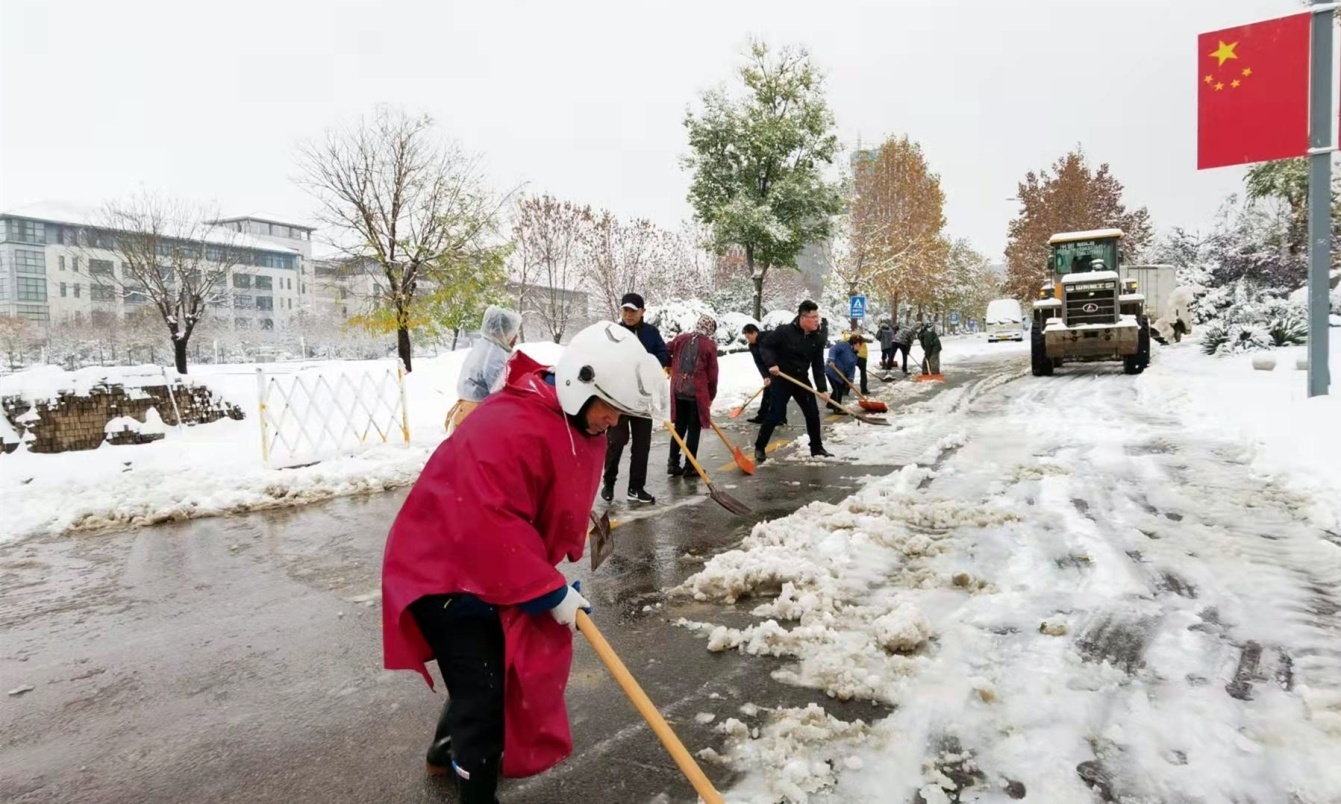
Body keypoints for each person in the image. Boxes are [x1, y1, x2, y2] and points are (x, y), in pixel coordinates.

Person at [381, 321, 668, 804]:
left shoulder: (574, 420)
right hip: (444, 570)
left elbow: (547, 489)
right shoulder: (508, 426)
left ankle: (443, 751)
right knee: (486, 695)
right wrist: (549, 588)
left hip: (491, 567)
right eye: (611, 410)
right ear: (581, 383)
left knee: (484, 669)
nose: (614, 422)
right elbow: (489, 520)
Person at [602, 292, 670, 504]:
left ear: (642, 312)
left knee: (642, 444)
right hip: (619, 398)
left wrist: (649, 365)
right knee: (616, 441)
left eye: (633, 310)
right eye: (625, 310)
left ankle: (636, 487)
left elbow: (663, 355)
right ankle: (609, 483)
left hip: (643, 399)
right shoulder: (614, 332)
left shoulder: (651, 333)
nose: (628, 314)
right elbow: (603, 357)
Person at [753, 299, 834, 464]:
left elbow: (818, 364)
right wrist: (771, 364)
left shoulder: (817, 338)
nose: (817, 320)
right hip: (782, 377)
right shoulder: (784, 332)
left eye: (818, 316)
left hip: (801, 379)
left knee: (812, 412)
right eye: (814, 317)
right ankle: (760, 447)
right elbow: (765, 345)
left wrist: (822, 389)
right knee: (775, 414)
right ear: (803, 318)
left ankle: (816, 447)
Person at [445, 305, 523, 434]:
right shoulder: (494, 354)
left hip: (466, 412)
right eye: (513, 332)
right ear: (501, 331)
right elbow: (500, 391)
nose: (516, 337)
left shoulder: (485, 345)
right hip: (475, 419)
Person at [666, 315, 719, 477]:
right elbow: (713, 373)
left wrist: (670, 365)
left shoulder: (681, 339)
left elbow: (664, 350)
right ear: (710, 329)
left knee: (680, 427)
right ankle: (690, 466)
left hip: (678, 389)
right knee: (693, 428)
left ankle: (673, 463)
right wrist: (711, 395)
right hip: (696, 392)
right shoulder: (709, 345)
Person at [742, 324, 787, 426]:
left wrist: (776, 368)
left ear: (754, 332)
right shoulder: (752, 346)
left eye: (748, 337)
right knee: (768, 392)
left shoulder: (769, 338)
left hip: (780, 368)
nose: (748, 340)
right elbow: (759, 362)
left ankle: (781, 418)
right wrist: (765, 376)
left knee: (779, 393)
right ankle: (762, 416)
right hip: (769, 370)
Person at [826, 332, 862, 413]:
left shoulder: (854, 356)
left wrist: (850, 380)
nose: (860, 347)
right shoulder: (844, 345)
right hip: (832, 369)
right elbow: (833, 349)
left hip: (840, 374)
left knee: (839, 388)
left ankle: (830, 404)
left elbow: (852, 369)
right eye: (860, 345)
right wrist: (831, 359)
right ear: (855, 343)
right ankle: (837, 408)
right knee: (838, 388)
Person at [842, 326, 871, 395]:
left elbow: (844, 341)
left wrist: (845, 333)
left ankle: (846, 390)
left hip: (854, 356)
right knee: (863, 373)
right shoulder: (862, 340)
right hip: (862, 358)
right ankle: (864, 390)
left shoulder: (851, 339)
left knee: (849, 373)